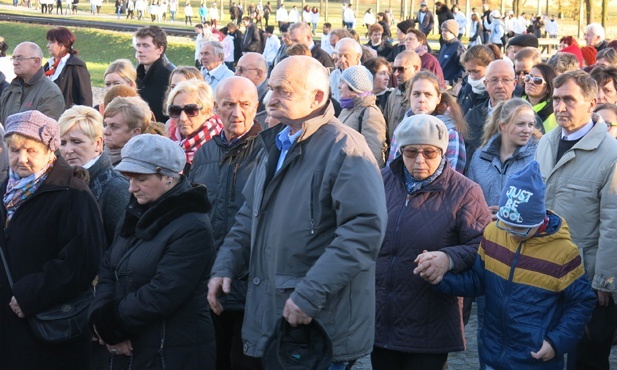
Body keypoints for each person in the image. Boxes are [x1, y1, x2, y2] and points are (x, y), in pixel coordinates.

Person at [207, 56, 388, 368]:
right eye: (271, 88)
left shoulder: (346, 148)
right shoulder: (278, 143)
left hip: (318, 326)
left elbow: (363, 233)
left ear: (317, 97)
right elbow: (250, 215)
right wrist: (225, 264)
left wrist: (309, 295)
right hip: (277, 316)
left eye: (283, 91)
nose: (270, 97)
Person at [426, 160, 596, 369]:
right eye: (507, 227)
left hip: (536, 359)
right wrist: (439, 278)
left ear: (539, 221)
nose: (513, 235)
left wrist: (556, 342)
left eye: (521, 230)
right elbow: (478, 281)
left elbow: (582, 302)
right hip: (493, 355)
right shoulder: (493, 233)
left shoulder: (563, 253)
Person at [374, 113, 492, 370]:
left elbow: (484, 246)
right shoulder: (382, 181)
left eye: (429, 153)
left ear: (442, 152)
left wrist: (449, 258)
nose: (419, 161)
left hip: (431, 321)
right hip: (382, 319)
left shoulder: (466, 191)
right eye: (411, 152)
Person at [89, 134, 216, 370]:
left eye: (141, 179)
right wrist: (103, 320)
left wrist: (111, 325)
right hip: (134, 348)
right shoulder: (137, 211)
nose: (131, 187)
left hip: (171, 352)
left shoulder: (192, 226)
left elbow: (162, 293)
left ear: (169, 177)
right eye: (129, 178)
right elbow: (108, 267)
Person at [0, 110, 105, 370]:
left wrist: (30, 294)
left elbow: (82, 262)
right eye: (14, 150)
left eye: (30, 150)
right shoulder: (5, 190)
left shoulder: (72, 193)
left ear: (50, 150)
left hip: (49, 326)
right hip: (8, 325)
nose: (20, 158)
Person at [535, 70, 617, 370]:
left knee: (587, 358)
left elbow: (613, 222)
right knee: (542, 351)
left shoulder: (611, 154)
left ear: (591, 102)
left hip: (585, 277)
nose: (560, 107)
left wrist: (604, 281)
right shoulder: (546, 142)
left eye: (569, 99)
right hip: (542, 268)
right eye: (556, 99)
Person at [189, 76, 263, 370]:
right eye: (229, 105)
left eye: (245, 104)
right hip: (209, 281)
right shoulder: (206, 153)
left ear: (256, 107)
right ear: (216, 108)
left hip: (250, 283)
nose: (237, 112)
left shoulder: (269, 152)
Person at [466, 98, 540, 367]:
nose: (527, 129)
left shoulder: (539, 156)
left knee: (520, 323)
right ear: (503, 125)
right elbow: (469, 200)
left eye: (531, 124)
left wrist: (513, 214)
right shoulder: (480, 157)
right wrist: (484, 212)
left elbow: (544, 203)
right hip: (489, 251)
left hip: (526, 253)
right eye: (520, 123)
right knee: (487, 323)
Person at [58, 105, 129, 247]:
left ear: (98, 143)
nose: (68, 150)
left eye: (76, 141)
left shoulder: (116, 188)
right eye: (63, 143)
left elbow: (122, 246)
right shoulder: (58, 181)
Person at [388, 71, 468, 173]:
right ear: (409, 96)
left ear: (438, 98)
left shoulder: (450, 133)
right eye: (416, 94)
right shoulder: (401, 129)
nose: (422, 99)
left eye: (428, 94)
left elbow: (452, 176)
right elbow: (391, 168)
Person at [464, 60, 518, 166]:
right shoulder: (473, 116)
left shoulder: (527, 116)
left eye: (505, 80)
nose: (499, 85)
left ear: (514, 84)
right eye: (494, 80)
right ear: (485, 84)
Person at [165, 79, 223, 175]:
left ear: (208, 111)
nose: (183, 118)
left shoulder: (221, 146)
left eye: (190, 110)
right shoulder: (169, 144)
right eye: (176, 110)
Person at [0, 42, 64, 124]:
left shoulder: (50, 93)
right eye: (14, 58)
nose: (15, 62)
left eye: (20, 58)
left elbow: (45, 132)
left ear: (36, 61)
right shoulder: (9, 91)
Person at [337, 65, 388, 167]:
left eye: (343, 82)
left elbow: (374, 158)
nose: (339, 86)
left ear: (354, 87)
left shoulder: (370, 113)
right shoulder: (347, 108)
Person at [43, 27, 92, 109]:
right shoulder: (48, 65)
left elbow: (85, 97)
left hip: (67, 118)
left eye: (51, 42)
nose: (47, 46)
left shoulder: (76, 66)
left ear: (61, 45)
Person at [134, 26, 175, 123]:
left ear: (160, 50)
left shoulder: (170, 77)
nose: (140, 50)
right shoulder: (135, 76)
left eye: (145, 45)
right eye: (138, 45)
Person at [383, 50, 421, 141]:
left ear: (415, 68)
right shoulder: (393, 95)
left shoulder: (424, 96)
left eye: (401, 69)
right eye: (394, 69)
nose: (396, 74)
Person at [103, 96, 153, 165]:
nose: (105, 132)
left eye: (114, 127)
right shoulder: (94, 153)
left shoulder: (138, 167)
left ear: (135, 132)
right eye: (105, 124)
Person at [458, 45, 494, 115]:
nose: (472, 76)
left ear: (489, 66)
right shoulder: (466, 86)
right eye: (469, 71)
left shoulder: (496, 90)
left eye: (476, 71)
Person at [235, 53, 268, 124]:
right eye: (236, 69)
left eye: (241, 70)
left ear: (258, 73)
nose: (236, 74)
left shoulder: (268, 97)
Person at [523, 63, 557, 133]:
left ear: (548, 88)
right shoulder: (514, 102)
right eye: (528, 78)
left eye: (537, 80)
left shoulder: (555, 113)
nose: (531, 82)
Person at [438, 20, 465, 86]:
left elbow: (465, 69)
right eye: (442, 30)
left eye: (445, 31)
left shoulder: (459, 48)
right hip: (441, 85)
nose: (443, 33)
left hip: (451, 90)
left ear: (453, 32)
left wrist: (451, 82)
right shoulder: (445, 45)